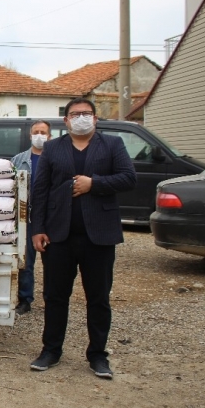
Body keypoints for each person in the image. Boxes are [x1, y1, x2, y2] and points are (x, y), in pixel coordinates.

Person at [29, 98, 136, 379]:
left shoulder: (112, 145)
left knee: (98, 298)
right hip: (58, 236)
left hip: (99, 236)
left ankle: (98, 355)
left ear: (95, 118)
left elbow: (128, 178)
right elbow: (40, 191)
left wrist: (94, 184)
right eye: (75, 114)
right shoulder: (52, 148)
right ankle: (51, 350)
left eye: (86, 114)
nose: (80, 118)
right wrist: (37, 229)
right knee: (54, 296)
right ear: (65, 121)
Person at [11, 120, 52, 315]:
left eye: (43, 132)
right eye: (36, 132)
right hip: (25, 218)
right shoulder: (19, 160)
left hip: (51, 218)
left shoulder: (56, 158)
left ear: (49, 136)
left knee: (53, 262)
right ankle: (25, 299)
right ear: (30, 136)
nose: (39, 135)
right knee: (26, 262)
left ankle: (52, 299)